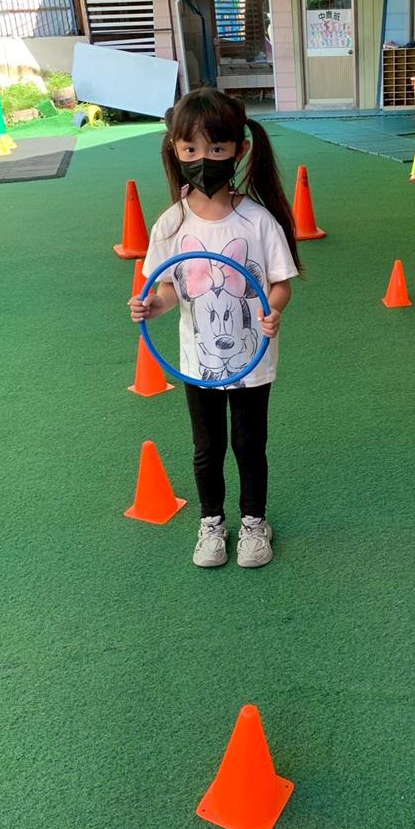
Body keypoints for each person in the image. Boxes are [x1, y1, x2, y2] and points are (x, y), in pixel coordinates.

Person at [129, 88, 300, 568]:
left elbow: (280, 285)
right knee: (207, 448)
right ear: (175, 150)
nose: (203, 160)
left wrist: (273, 311)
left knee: (249, 445)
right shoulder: (170, 225)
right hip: (197, 362)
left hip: (252, 361)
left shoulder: (258, 221)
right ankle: (211, 523)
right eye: (190, 149)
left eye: (216, 148)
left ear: (239, 150)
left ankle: (254, 522)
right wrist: (153, 306)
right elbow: (168, 288)